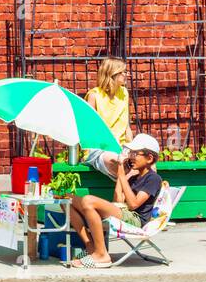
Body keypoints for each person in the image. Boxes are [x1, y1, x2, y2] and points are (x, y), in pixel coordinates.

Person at [67, 134, 163, 269]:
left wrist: (123, 175)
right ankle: (91, 247)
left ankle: (102, 255)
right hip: (124, 212)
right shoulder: (133, 178)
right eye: (131, 153)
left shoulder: (153, 179)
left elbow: (134, 204)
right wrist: (121, 170)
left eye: (136, 154)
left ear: (149, 158)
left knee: (88, 200)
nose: (131, 157)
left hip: (136, 219)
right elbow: (117, 200)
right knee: (66, 200)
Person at [83, 58, 132, 180]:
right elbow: (89, 130)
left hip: (121, 149)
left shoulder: (124, 93)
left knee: (148, 162)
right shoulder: (94, 95)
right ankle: (130, 197)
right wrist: (108, 140)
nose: (126, 74)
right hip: (99, 149)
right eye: (123, 72)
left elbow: (127, 127)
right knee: (119, 162)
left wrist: (132, 148)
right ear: (112, 73)